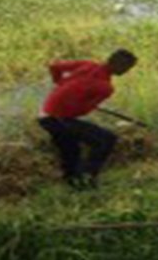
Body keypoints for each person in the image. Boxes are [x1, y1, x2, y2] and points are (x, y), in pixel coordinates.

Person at [38, 49, 138, 189]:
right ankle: (87, 178)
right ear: (119, 65)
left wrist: (59, 83)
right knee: (106, 140)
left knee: (71, 147)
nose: (126, 71)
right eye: (127, 68)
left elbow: (54, 67)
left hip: (44, 114)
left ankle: (73, 181)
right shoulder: (105, 88)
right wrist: (90, 105)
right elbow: (80, 112)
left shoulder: (87, 65)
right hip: (57, 119)